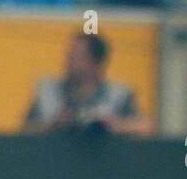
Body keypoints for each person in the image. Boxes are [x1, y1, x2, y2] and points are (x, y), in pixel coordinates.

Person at [21, 31, 152, 136]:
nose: (67, 63)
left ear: (95, 63)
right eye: (68, 56)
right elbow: (25, 129)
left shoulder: (119, 94)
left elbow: (144, 127)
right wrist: (53, 124)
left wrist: (112, 125)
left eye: (75, 57)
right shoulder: (47, 90)